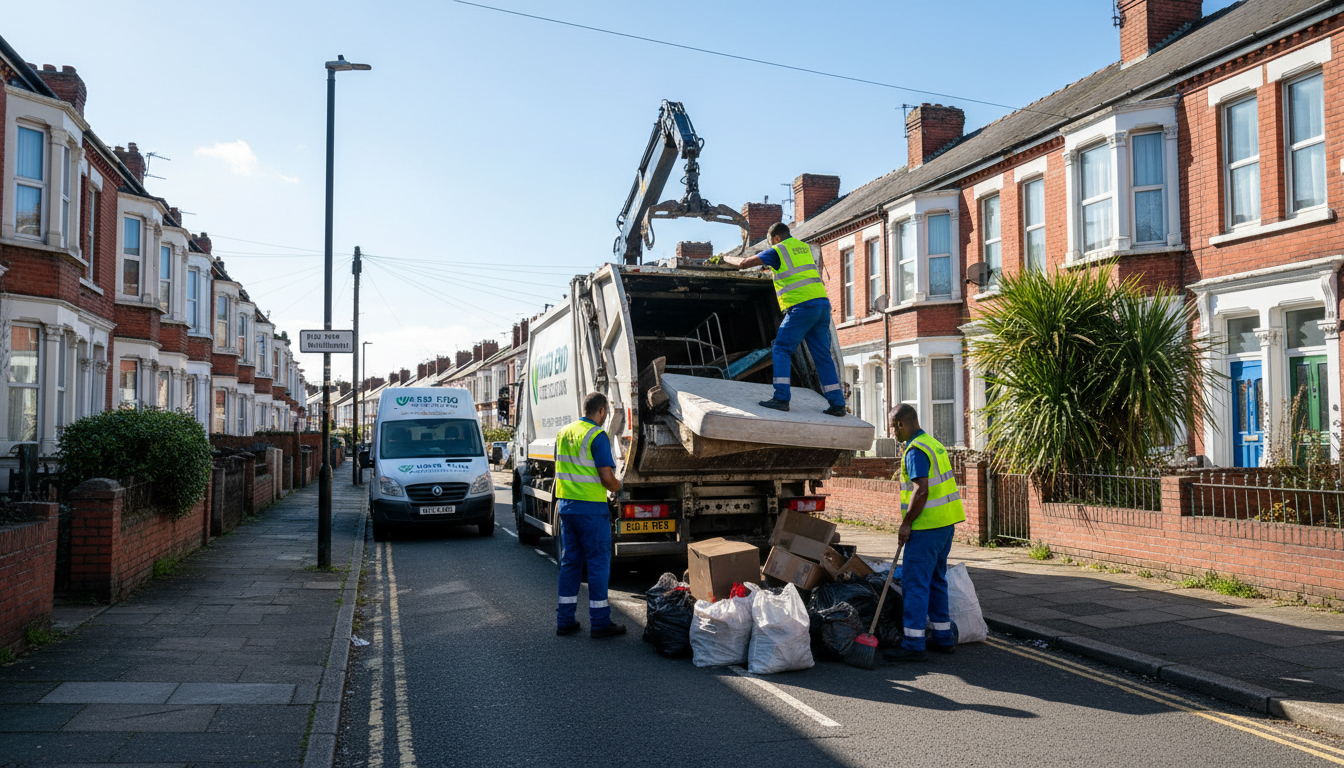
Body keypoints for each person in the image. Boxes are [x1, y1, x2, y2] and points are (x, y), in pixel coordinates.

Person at [724, 222, 846, 416]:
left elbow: (743, 263)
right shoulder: (803, 248)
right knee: (823, 357)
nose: (771, 246)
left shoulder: (778, 250)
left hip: (802, 308)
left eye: (771, 242)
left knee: (781, 348)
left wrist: (724, 258)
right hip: (822, 306)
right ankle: (838, 403)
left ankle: (781, 397)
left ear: (776, 238)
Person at [886, 403, 964, 661]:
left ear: (901, 424)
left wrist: (906, 523)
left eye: (892, 427)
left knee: (915, 584)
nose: (891, 433)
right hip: (945, 526)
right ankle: (943, 638)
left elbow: (921, 491)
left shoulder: (915, 450)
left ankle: (914, 644)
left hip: (926, 528)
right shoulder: (933, 443)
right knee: (936, 580)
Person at [554, 392, 626, 639]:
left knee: (571, 562)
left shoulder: (564, 433)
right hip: (591, 510)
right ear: (602, 411)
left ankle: (564, 620)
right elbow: (606, 478)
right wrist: (620, 486)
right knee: (597, 563)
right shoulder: (597, 435)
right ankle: (600, 623)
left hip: (567, 507)